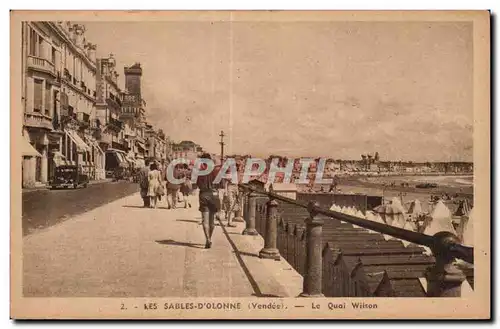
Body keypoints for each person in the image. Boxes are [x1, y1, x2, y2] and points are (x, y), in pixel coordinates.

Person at [196, 153, 222, 249]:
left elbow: (197, 184)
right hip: (214, 195)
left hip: (204, 194)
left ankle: (207, 239)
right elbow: (220, 184)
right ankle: (210, 237)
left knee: (205, 220)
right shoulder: (216, 171)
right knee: (212, 220)